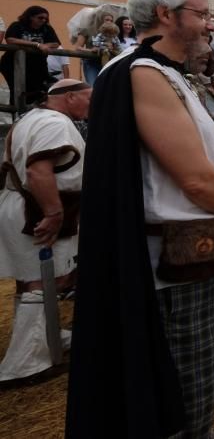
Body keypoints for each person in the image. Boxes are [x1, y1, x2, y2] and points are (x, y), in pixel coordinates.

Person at [67, 0, 214, 437]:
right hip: (177, 268)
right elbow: (196, 180)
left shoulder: (167, 75)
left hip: (197, 255)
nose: (209, 25)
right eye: (201, 14)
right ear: (166, 15)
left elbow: (198, 167)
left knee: (195, 393)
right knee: (184, 404)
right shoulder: (143, 72)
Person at [0, 80, 90, 381]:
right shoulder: (55, 124)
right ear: (71, 96)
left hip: (23, 205)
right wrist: (53, 212)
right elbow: (38, 172)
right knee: (45, 279)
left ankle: (47, 339)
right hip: (38, 208)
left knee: (36, 279)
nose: (92, 105)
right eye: (89, 99)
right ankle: (25, 363)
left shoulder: (33, 118)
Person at [0, 6, 60, 104]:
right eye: (40, 18)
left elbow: (56, 43)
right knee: (17, 89)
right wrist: (37, 45)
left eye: (46, 18)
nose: (43, 20)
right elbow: (10, 39)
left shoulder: (46, 29)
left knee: (36, 91)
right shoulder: (17, 25)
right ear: (31, 17)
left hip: (37, 66)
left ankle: (29, 113)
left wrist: (44, 45)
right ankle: (16, 113)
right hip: (12, 64)